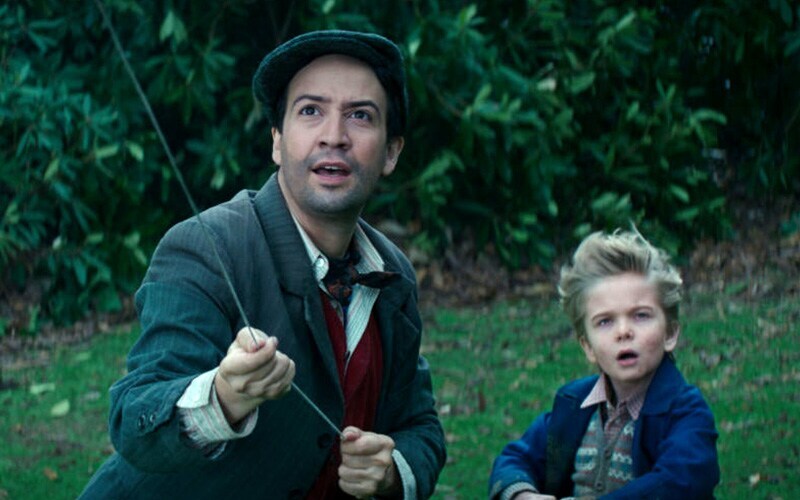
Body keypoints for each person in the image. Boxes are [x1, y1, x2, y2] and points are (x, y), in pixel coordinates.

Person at [80, 30, 446, 499]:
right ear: (277, 140)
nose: (334, 136)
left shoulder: (392, 275)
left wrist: (393, 468)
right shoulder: (203, 247)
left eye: (360, 115)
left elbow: (420, 426)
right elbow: (133, 421)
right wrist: (223, 397)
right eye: (310, 111)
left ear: (391, 151)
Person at [488, 229, 720, 499]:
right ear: (587, 346)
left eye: (641, 315)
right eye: (605, 321)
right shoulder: (573, 404)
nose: (623, 331)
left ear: (669, 334)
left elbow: (679, 482)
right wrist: (522, 494)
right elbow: (515, 458)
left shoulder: (686, 411)